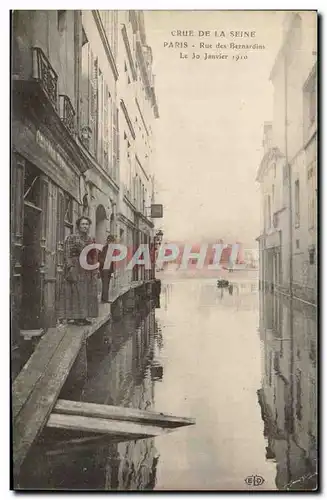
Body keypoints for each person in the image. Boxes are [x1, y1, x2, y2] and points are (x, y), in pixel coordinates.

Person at [58, 216, 99, 325]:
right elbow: (67, 253)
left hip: (87, 267)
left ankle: (84, 317)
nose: (85, 226)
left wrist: (95, 267)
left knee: (86, 291)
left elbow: (94, 254)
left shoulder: (90, 239)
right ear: (78, 226)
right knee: (76, 291)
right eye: (83, 224)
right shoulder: (72, 238)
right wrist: (70, 267)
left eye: (87, 224)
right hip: (76, 266)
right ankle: (76, 318)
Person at [98, 235, 115, 303]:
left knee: (106, 284)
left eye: (112, 242)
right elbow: (99, 258)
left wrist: (112, 271)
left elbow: (112, 261)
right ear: (108, 241)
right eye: (110, 241)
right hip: (104, 269)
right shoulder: (104, 248)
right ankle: (105, 299)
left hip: (108, 269)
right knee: (105, 284)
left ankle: (104, 299)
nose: (111, 243)